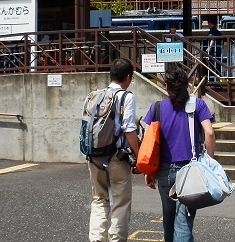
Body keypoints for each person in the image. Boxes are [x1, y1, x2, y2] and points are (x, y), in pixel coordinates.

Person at [143, 64, 216, 242]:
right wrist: (209, 161)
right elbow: (209, 133)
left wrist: (149, 171)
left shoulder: (157, 108)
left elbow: (147, 141)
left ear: (166, 86)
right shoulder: (198, 105)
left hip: (164, 170)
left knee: (168, 217)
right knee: (184, 220)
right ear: (186, 85)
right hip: (190, 170)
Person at [88, 58, 141, 242]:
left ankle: (96, 239)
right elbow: (129, 130)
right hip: (117, 158)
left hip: (94, 156)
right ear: (127, 77)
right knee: (120, 202)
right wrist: (139, 155)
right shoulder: (126, 97)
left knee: (99, 199)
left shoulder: (96, 95)